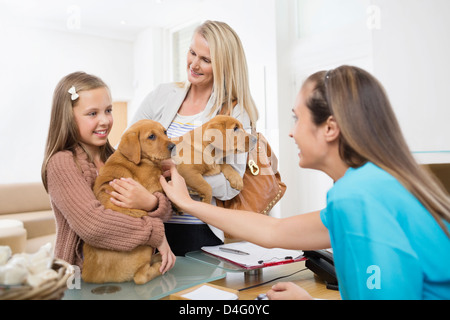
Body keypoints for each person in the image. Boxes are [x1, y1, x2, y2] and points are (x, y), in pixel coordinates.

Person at [160, 65, 450, 300]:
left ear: (330, 128)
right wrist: (187, 203)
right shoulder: (372, 184)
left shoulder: (359, 196)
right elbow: (275, 231)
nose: (291, 133)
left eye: (297, 118)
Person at [130, 20, 259, 256]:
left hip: (199, 231)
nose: (194, 64)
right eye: (192, 52)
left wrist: (182, 172)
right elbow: (128, 147)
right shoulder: (162, 95)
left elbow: (231, 186)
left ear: (224, 66)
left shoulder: (235, 113)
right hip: (150, 225)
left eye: (206, 60)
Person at [41, 71, 175, 274]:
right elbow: (93, 225)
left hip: (129, 271)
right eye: (92, 113)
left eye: (108, 110)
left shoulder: (120, 157)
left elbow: (165, 210)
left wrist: (152, 203)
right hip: (79, 280)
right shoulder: (62, 163)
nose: (105, 120)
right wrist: (155, 233)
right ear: (68, 117)